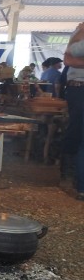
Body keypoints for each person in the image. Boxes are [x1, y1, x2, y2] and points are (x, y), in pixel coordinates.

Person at [63, 24, 84, 199]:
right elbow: (68, 59)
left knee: (77, 135)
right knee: (76, 134)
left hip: (78, 89)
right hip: (79, 89)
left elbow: (69, 58)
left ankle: (75, 180)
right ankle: (70, 177)